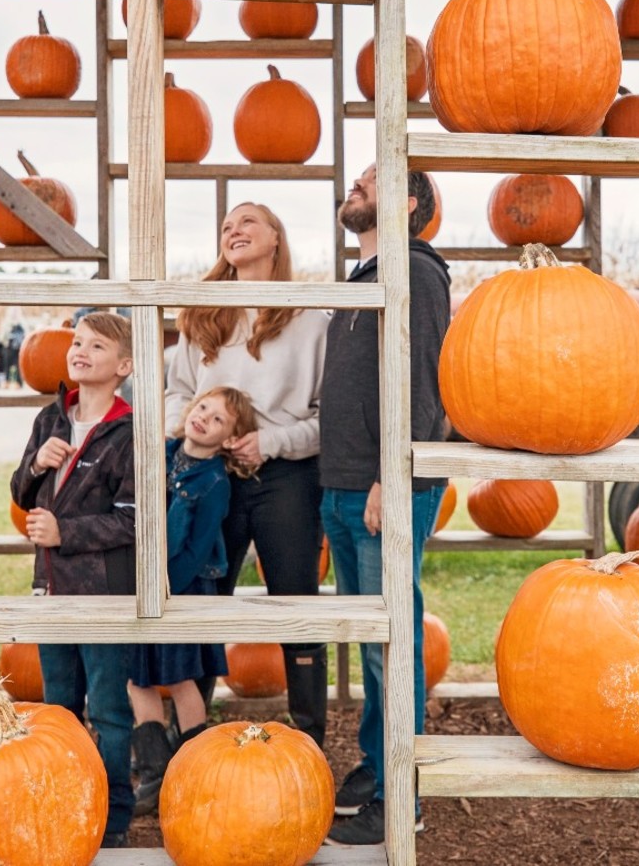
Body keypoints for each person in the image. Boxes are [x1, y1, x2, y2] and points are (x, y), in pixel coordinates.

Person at [164, 202, 330, 748]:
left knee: (295, 604)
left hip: (285, 478)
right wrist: (194, 439)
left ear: (276, 239)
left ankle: (309, 737)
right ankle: (188, 739)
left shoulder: (310, 320)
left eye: (247, 222)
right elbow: (177, 394)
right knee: (204, 600)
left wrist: (272, 441)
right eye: (226, 226)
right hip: (211, 478)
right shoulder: (203, 314)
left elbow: (326, 417)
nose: (233, 231)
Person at [320, 165, 451, 847]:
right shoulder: (360, 279)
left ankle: (405, 792)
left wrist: (389, 476)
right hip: (343, 484)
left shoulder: (418, 273)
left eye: (372, 180)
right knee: (373, 640)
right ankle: (378, 764)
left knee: (391, 642)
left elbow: (424, 381)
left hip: (385, 485)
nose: (358, 186)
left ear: (407, 202)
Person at [9, 311, 137, 849]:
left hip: (104, 592)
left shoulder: (129, 431)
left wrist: (66, 532)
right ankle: (66, 805)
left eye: (97, 346)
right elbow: (20, 492)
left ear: (123, 366)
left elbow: (131, 520)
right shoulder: (50, 419)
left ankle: (112, 818)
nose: (80, 351)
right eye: (77, 342)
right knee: (58, 708)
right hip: (51, 590)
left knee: (108, 709)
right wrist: (38, 465)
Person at [129, 385, 259, 816]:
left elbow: (199, 549)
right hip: (146, 585)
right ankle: (154, 771)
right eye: (203, 407)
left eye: (218, 419)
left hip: (184, 586)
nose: (204, 417)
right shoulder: (162, 453)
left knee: (183, 679)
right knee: (139, 679)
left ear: (227, 440)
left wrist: (166, 590)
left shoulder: (214, 483)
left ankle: (197, 768)